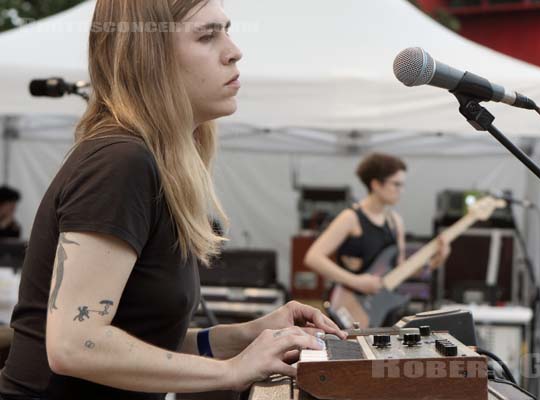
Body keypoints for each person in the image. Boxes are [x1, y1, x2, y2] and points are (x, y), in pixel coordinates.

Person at [0, 1, 345, 399]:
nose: (234, 50)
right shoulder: (120, 162)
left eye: (227, 30)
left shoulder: (146, 162)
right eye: (207, 35)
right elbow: (75, 346)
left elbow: (140, 341)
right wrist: (232, 371)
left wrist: (245, 336)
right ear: (149, 58)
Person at [304, 153, 451, 297]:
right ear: (375, 184)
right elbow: (313, 257)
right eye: (396, 184)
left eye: (402, 185)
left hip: (382, 308)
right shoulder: (350, 218)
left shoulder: (396, 222)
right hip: (349, 303)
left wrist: (433, 262)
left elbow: (398, 270)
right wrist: (356, 281)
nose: (401, 190)